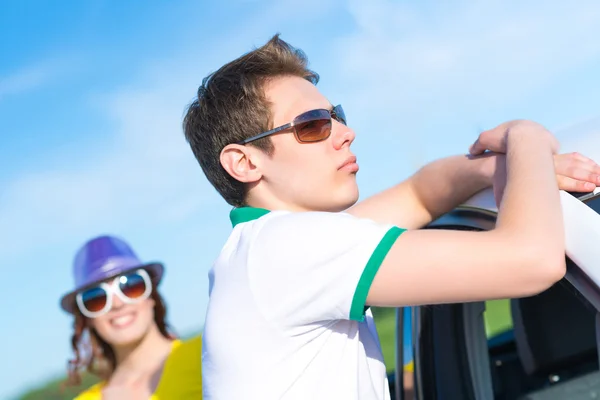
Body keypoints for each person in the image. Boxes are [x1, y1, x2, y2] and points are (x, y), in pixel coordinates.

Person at [182, 34, 600, 399]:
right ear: (244, 163)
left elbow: (420, 194)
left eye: (336, 116)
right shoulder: (288, 248)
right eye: (312, 125)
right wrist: (524, 136)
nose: (346, 132)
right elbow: (532, 260)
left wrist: (499, 169)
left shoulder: (261, 251)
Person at [59, 235, 203, 399]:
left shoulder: (210, 353)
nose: (117, 304)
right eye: (96, 299)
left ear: (151, 295)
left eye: (131, 286)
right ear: (87, 318)